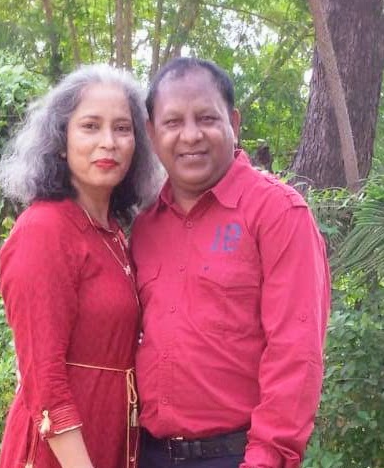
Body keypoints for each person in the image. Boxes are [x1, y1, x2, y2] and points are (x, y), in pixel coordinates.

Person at [130, 57, 331, 468]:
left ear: (233, 123)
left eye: (206, 118)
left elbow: (296, 354)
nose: (190, 135)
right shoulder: (145, 225)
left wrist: (266, 458)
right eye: (173, 122)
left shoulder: (277, 213)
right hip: (147, 453)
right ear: (151, 134)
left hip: (237, 454)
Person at [0, 64, 158, 468]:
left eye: (122, 128)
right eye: (90, 126)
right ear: (61, 141)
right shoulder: (43, 230)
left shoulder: (114, 234)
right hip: (61, 454)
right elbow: (44, 379)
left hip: (112, 440)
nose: (109, 142)